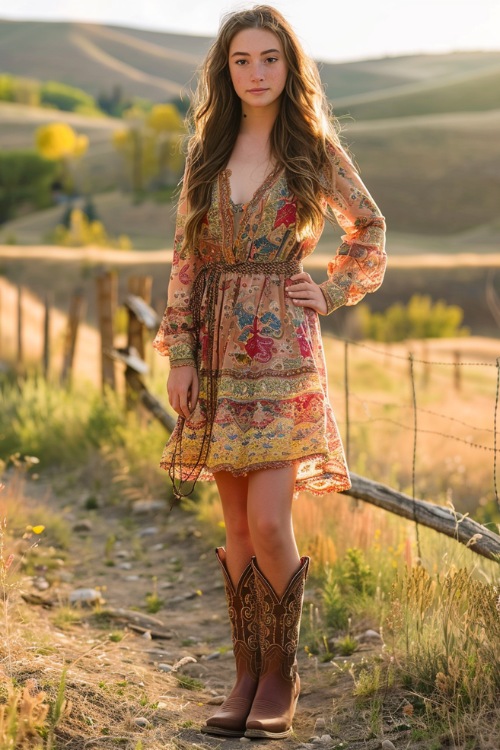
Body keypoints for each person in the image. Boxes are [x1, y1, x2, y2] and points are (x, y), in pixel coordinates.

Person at [153, 4, 386, 740]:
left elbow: (369, 227)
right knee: (235, 526)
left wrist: (335, 288)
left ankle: (282, 675)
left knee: (268, 519)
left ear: (291, 67)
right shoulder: (207, 151)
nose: (256, 73)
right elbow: (187, 261)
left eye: (270, 59)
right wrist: (182, 355)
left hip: (284, 348)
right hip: (217, 350)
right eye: (242, 61)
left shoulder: (312, 148)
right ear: (226, 72)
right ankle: (245, 674)